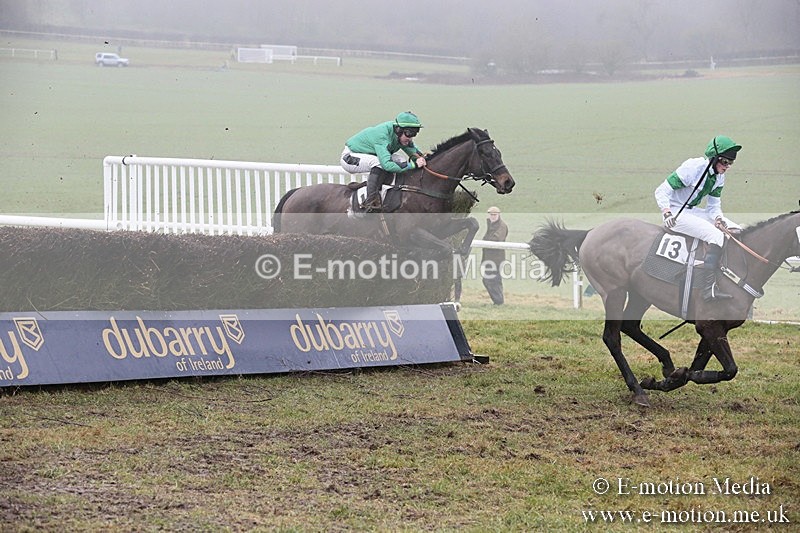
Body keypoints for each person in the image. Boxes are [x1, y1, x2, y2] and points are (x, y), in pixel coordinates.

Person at [655, 135, 742, 301]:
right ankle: (707, 289)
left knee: (737, 229)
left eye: (731, 163)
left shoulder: (719, 177)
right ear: (714, 158)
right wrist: (666, 212)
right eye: (725, 162)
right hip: (676, 212)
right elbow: (661, 190)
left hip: (691, 211)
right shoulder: (693, 168)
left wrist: (718, 218)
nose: (728, 167)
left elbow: (713, 207)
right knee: (716, 236)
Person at [340, 111, 427, 212]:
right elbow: (387, 165)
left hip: (370, 154)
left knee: (401, 160)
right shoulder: (382, 135)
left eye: (414, 134)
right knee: (379, 163)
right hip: (350, 157)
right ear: (398, 130)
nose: (410, 138)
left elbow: (413, 152)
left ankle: (389, 191)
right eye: (409, 133)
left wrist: (423, 158)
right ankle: (371, 201)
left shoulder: (401, 136)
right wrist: (413, 165)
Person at [481, 206, 509, 305]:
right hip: (489, 259)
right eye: (491, 214)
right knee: (491, 280)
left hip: (495, 260)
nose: (492, 216)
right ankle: (498, 302)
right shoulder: (492, 225)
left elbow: (497, 239)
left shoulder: (501, 226)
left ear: (498, 215)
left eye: (494, 215)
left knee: (491, 280)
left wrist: (484, 242)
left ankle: (498, 302)